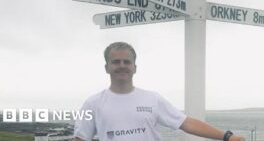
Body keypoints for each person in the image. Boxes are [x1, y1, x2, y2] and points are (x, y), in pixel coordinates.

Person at [74, 42, 245, 141]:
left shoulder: (152, 99)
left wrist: (227, 137)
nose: (122, 66)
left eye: (127, 61)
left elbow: (186, 123)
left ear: (135, 67)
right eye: (116, 62)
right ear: (107, 68)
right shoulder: (92, 104)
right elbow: (81, 138)